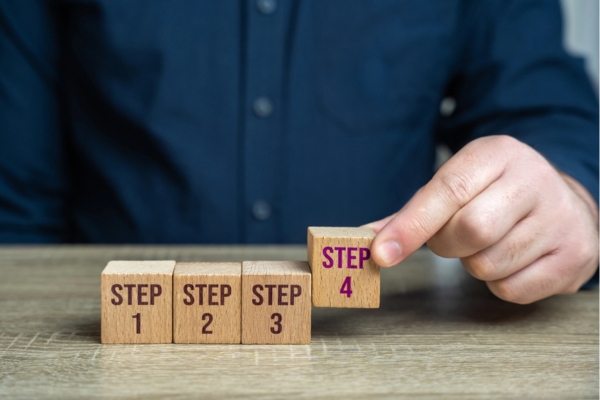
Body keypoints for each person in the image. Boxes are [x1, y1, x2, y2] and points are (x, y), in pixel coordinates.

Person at [0, 0, 597, 304]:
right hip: (111, 348)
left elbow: (543, 110)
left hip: (382, 355)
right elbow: (15, 207)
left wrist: (570, 197)